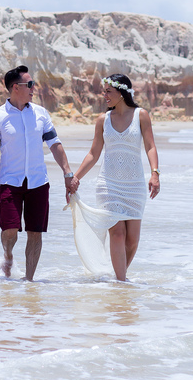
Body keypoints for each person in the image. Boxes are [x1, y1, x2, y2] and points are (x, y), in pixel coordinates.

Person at [0, 65, 76, 281]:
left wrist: (67, 173)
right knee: (10, 229)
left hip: (38, 182)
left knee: (35, 232)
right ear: (16, 87)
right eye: (30, 84)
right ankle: (7, 257)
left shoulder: (41, 114)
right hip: (10, 182)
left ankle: (29, 280)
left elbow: (55, 144)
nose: (34, 88)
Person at [68, 74, 161, 282]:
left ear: (122, 92)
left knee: (132, 241)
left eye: (108, 91)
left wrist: (155, 173)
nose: (105, 95)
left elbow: (150, 146)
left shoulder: (141, 115)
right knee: (117, 233)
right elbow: (93, 153)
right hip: (108, 185)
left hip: (134, 185)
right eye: (104, 91)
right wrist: (76, 178)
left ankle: (119, 276)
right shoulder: (103, 120)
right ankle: (121, 284)